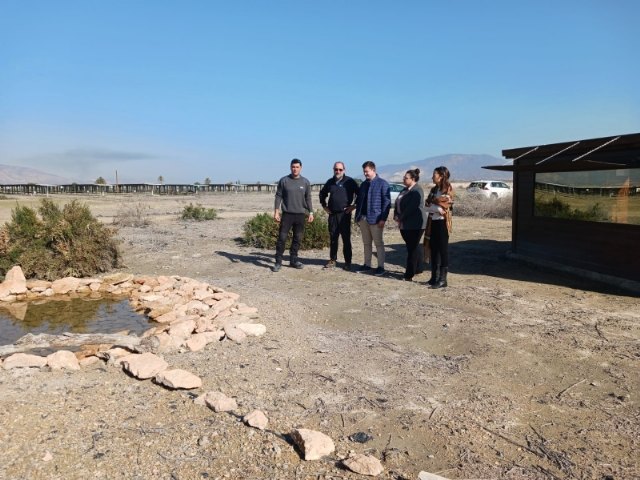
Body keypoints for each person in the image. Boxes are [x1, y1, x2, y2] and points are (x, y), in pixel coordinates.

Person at [272, 158, 314, 272]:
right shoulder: (284, 180)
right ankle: (278, 262)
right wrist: (276, 211)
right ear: (290, 167)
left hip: (300, 214)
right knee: (282, 238)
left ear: (301, 168)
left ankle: (293, 260)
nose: (295, 169)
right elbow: (278, 196)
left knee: (297, 238)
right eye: (293, 167)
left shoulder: (305, 182)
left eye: (297, 167)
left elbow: (308, 198)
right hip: (287, 214)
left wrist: (311, 212)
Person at [319, 162, 359, 271]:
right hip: (333, 215)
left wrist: (353, 206)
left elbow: (360, 194)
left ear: (344, 170)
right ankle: (332, 260)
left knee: (346, 239)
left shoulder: (350, 181)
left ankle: (348, 262)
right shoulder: (330, 182)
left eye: (340, 169)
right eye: (336, 169)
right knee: (333, 238)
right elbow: (322, 193)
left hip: (344, 215)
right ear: (333, 170)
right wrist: (324, 206)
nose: (338, 171)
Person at [354, 161, 391, 276]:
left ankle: (381, 266)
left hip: (376, 219)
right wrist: (357, 216)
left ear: (373, 170)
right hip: (363, 218)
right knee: (366, 243)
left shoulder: (382, 184)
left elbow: (386, 203)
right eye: (364, 171)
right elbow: (359, 201)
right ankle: (367, 264)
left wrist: (383, 219)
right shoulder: (364, 185)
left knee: (378, 243)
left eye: (367, 171)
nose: (365, 173)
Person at [393, 168, 427, 281]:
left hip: (416, 224)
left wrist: (401, 217)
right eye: (403, 177)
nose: (403, 179)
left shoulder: (417, 190)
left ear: (413, 179)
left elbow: (412, 207)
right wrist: (396, 215)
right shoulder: (404, 190)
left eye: (406, 178)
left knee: (412, 248)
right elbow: (397, 202)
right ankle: (418, 268)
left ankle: (409, 274)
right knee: (413, 246)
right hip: (405, 224)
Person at [425, 166, 453, 288]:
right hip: (432, 222)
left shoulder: (448, 189)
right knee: (433, 248)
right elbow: (426, 205)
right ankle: (434, 276)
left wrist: (434, 204)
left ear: (441, 176)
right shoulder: (434, 189)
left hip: (442, 223)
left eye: (434, 174)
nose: (432, 177)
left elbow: (445, 206)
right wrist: (435, 207)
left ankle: (443, 279)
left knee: (443, 250)